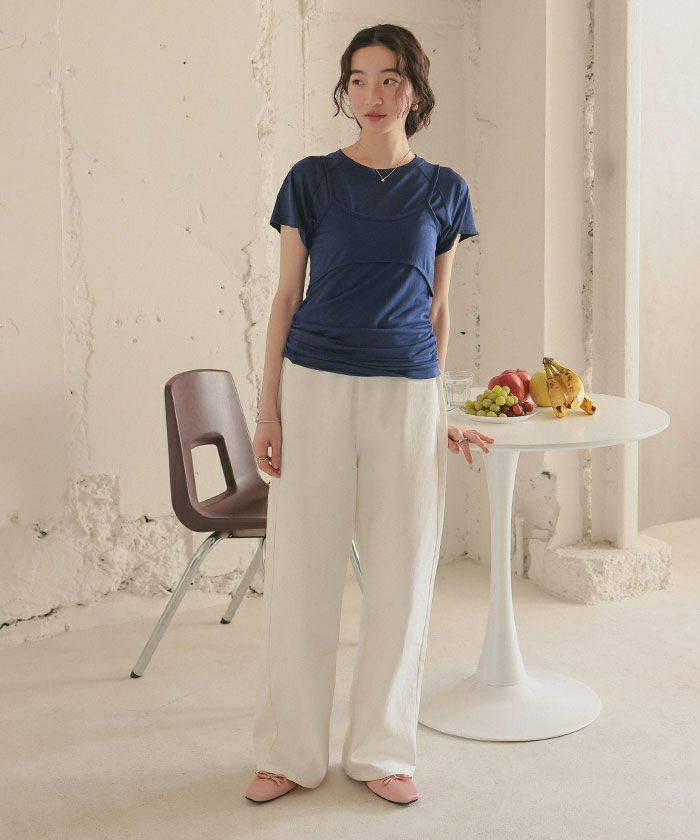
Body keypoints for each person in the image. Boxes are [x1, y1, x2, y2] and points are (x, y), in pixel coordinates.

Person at [245, 23, 493, 806]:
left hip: (407, 392)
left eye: (390, 79)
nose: (373, 95)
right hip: (314, 383)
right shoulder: (311, 180)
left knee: (401, 574)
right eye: (359, 79)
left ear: (415, 90)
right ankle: (290, 753)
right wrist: (268, 414)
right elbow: (285, 298)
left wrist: (436, 412)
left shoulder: (445, 190)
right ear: (345, 90)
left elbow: (438, 308)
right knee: (302, 572)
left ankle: (382, 750)